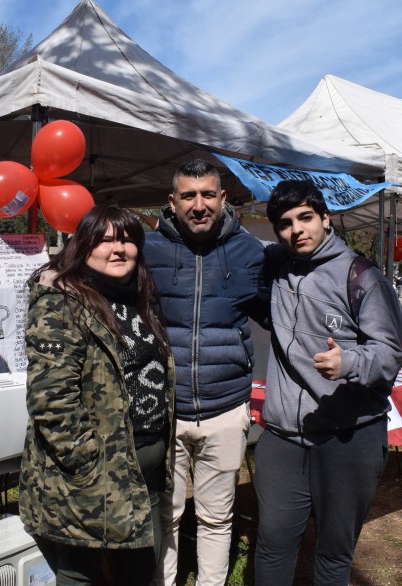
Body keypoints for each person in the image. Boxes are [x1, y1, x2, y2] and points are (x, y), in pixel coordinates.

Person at [254, 179, 402, 586]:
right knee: (272, 543)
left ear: (325, 218)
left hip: (348, 437)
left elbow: (390, 355)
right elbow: (230, 240)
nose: (297, 230)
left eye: (306, 218)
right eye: (285, 224)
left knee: (334, 554)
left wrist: (350, 361)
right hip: (284, 435)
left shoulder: (362, 277)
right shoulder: (277, 266)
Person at [19, 205, 175, 586]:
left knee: (140, 570)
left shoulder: (137, 298)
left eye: (126, 239)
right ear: (83, 247)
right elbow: (51, 398)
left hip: (145, 475)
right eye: (104, 240)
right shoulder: (62, 302)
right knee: (81, 573)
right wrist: (89, 462)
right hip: (92, 476)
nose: (117, 249)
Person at [143, 158, 268, 586]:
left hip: (226, 408)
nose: (199, 205)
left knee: (217, 516)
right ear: (172, 201)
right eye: (189, 196)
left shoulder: (251, 252)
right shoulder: (147, 249)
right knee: (166, 515)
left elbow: (280, 311)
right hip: (165, 410)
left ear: (223, 199)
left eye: (208, 195)